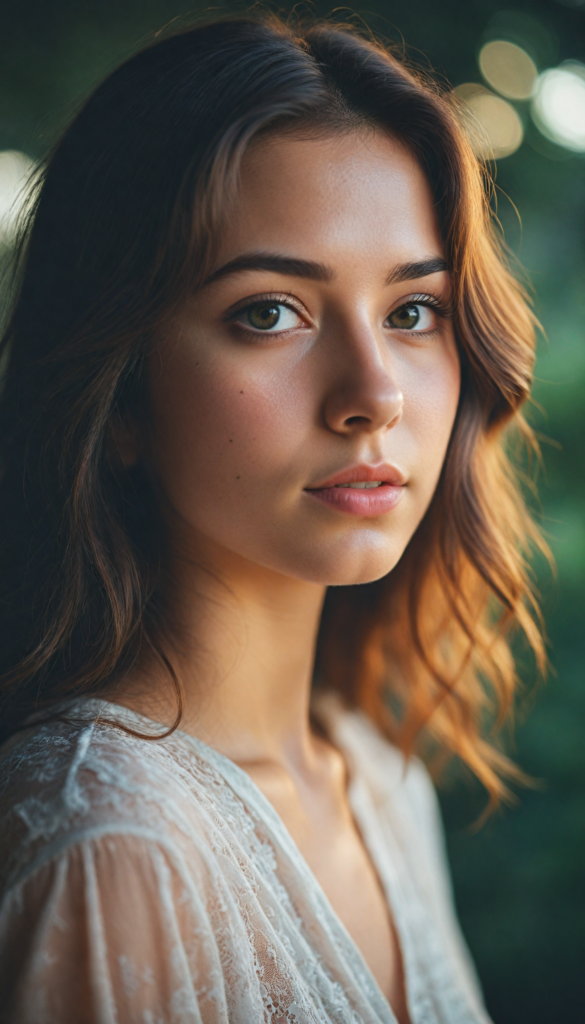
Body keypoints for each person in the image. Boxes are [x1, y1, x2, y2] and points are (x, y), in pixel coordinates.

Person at [0, 14, 547, 1024]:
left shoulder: (378, 781)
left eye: (412, 311)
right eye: (270, 311)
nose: (374, 393)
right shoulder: (111, 850)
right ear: (118, 398)